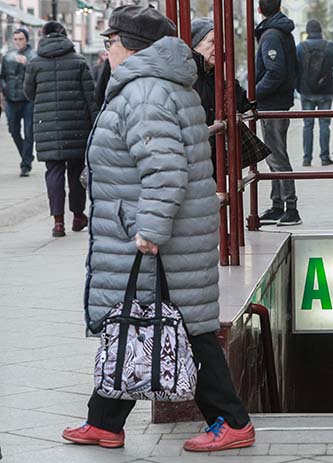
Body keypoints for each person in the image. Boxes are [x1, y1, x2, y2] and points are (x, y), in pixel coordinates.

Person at [61, 5, 255, 453]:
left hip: (157, 237)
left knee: (182, 327)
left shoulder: (145, 92)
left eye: (110, 42)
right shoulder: (151, 85)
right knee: (138, 320)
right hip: (154, 230)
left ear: (132, 47)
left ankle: (232, 421)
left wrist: (150, 229)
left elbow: (165, 170)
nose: (107, 50)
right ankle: (104, 421)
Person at [23, 21, 98, 237]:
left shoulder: (34, 63)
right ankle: (78, 216)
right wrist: (96, 124)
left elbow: (29, 93)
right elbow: (91, 97)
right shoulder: (79, 61)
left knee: (53, 171)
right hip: (76, 125)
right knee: (76, 171)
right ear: (64, 35)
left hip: (47, 125)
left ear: (43, 36)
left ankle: (58, 222)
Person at [255, 0, 302, 226]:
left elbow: (274, 72)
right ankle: (277, 205)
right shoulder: (282, 32)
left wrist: (253, 93)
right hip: (280, 101)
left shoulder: (271, 35)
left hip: (271, 103)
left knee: (276, 156)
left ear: (259, 9)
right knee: (275, 154)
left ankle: (291, 208)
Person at [191, 17, 253, 177]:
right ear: (195, 45)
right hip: (195, 156)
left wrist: (226, 75)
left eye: (221, 43)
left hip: (211, 154)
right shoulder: (188, 76)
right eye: (212, 42)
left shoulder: (214, 74)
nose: (219, 48)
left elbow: (242, 104)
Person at [296, 19, 333, 167]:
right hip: (325, 91)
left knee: (307, 125)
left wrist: (298, 87)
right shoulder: (329, 46)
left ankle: (307, 158)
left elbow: (296, 67)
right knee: (324, 124)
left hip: (306, 91)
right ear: (320, 31)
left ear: (308, 31)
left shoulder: (300, 47)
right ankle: (325, 157)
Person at [1, 28, 37, 176]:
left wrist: (27, 64)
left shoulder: (33, 56)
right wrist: (4, 89)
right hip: (11, 99)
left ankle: (25, 165)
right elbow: (2, 76)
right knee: (13, 130)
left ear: (26, 40)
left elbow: (37, 76)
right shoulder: (8, 56)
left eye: (21, 39)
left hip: (28, 99)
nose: (18, 42)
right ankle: (26, 155)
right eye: (15, 39)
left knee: (29, 132)